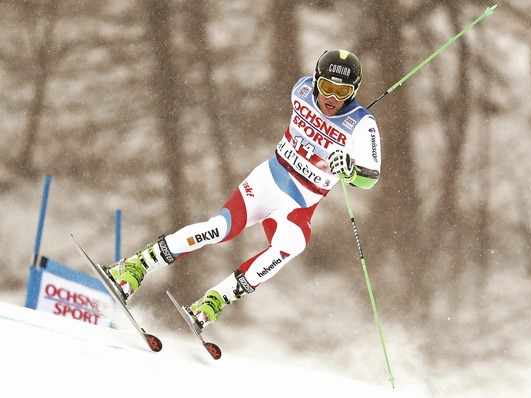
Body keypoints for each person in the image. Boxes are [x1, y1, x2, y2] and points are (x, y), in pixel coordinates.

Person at [106, 49, 382, 330]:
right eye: (326, 87)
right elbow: (318, 124)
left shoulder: (363, 125)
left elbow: (370, 177)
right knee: (218, 230)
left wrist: (349, 168)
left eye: (342, 91)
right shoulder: (300, 90)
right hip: (268, 180)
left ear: (354, 90)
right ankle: (136, 266)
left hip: (299, 203)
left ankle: (215, 300)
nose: (332, 98)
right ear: (315, 80)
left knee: (293, 244)